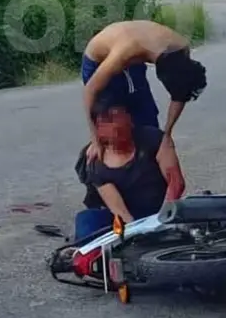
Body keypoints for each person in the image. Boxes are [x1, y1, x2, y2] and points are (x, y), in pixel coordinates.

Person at [81, 20, 207, 162]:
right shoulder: (125, 51)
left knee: (146, 118)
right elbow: (90, 90)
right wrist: (95, 139)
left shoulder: (180, 47)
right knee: (114, 125)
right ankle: (110, 172)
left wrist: (167, 136)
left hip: (134, 56)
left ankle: (149, 163)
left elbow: (180, 92)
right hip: (101, 61)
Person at [73, 94, 186, 234]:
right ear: (97, 130)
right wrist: (137, 230)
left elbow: (176, 183)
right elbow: (120, 212)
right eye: (108, 121)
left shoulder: (153, 138)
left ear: (130, 119)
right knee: (87, 220)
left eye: (118, 117)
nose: (116, 125)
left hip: (162, 209)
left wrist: (163, 218)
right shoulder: (96, 161)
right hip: (126, 218)